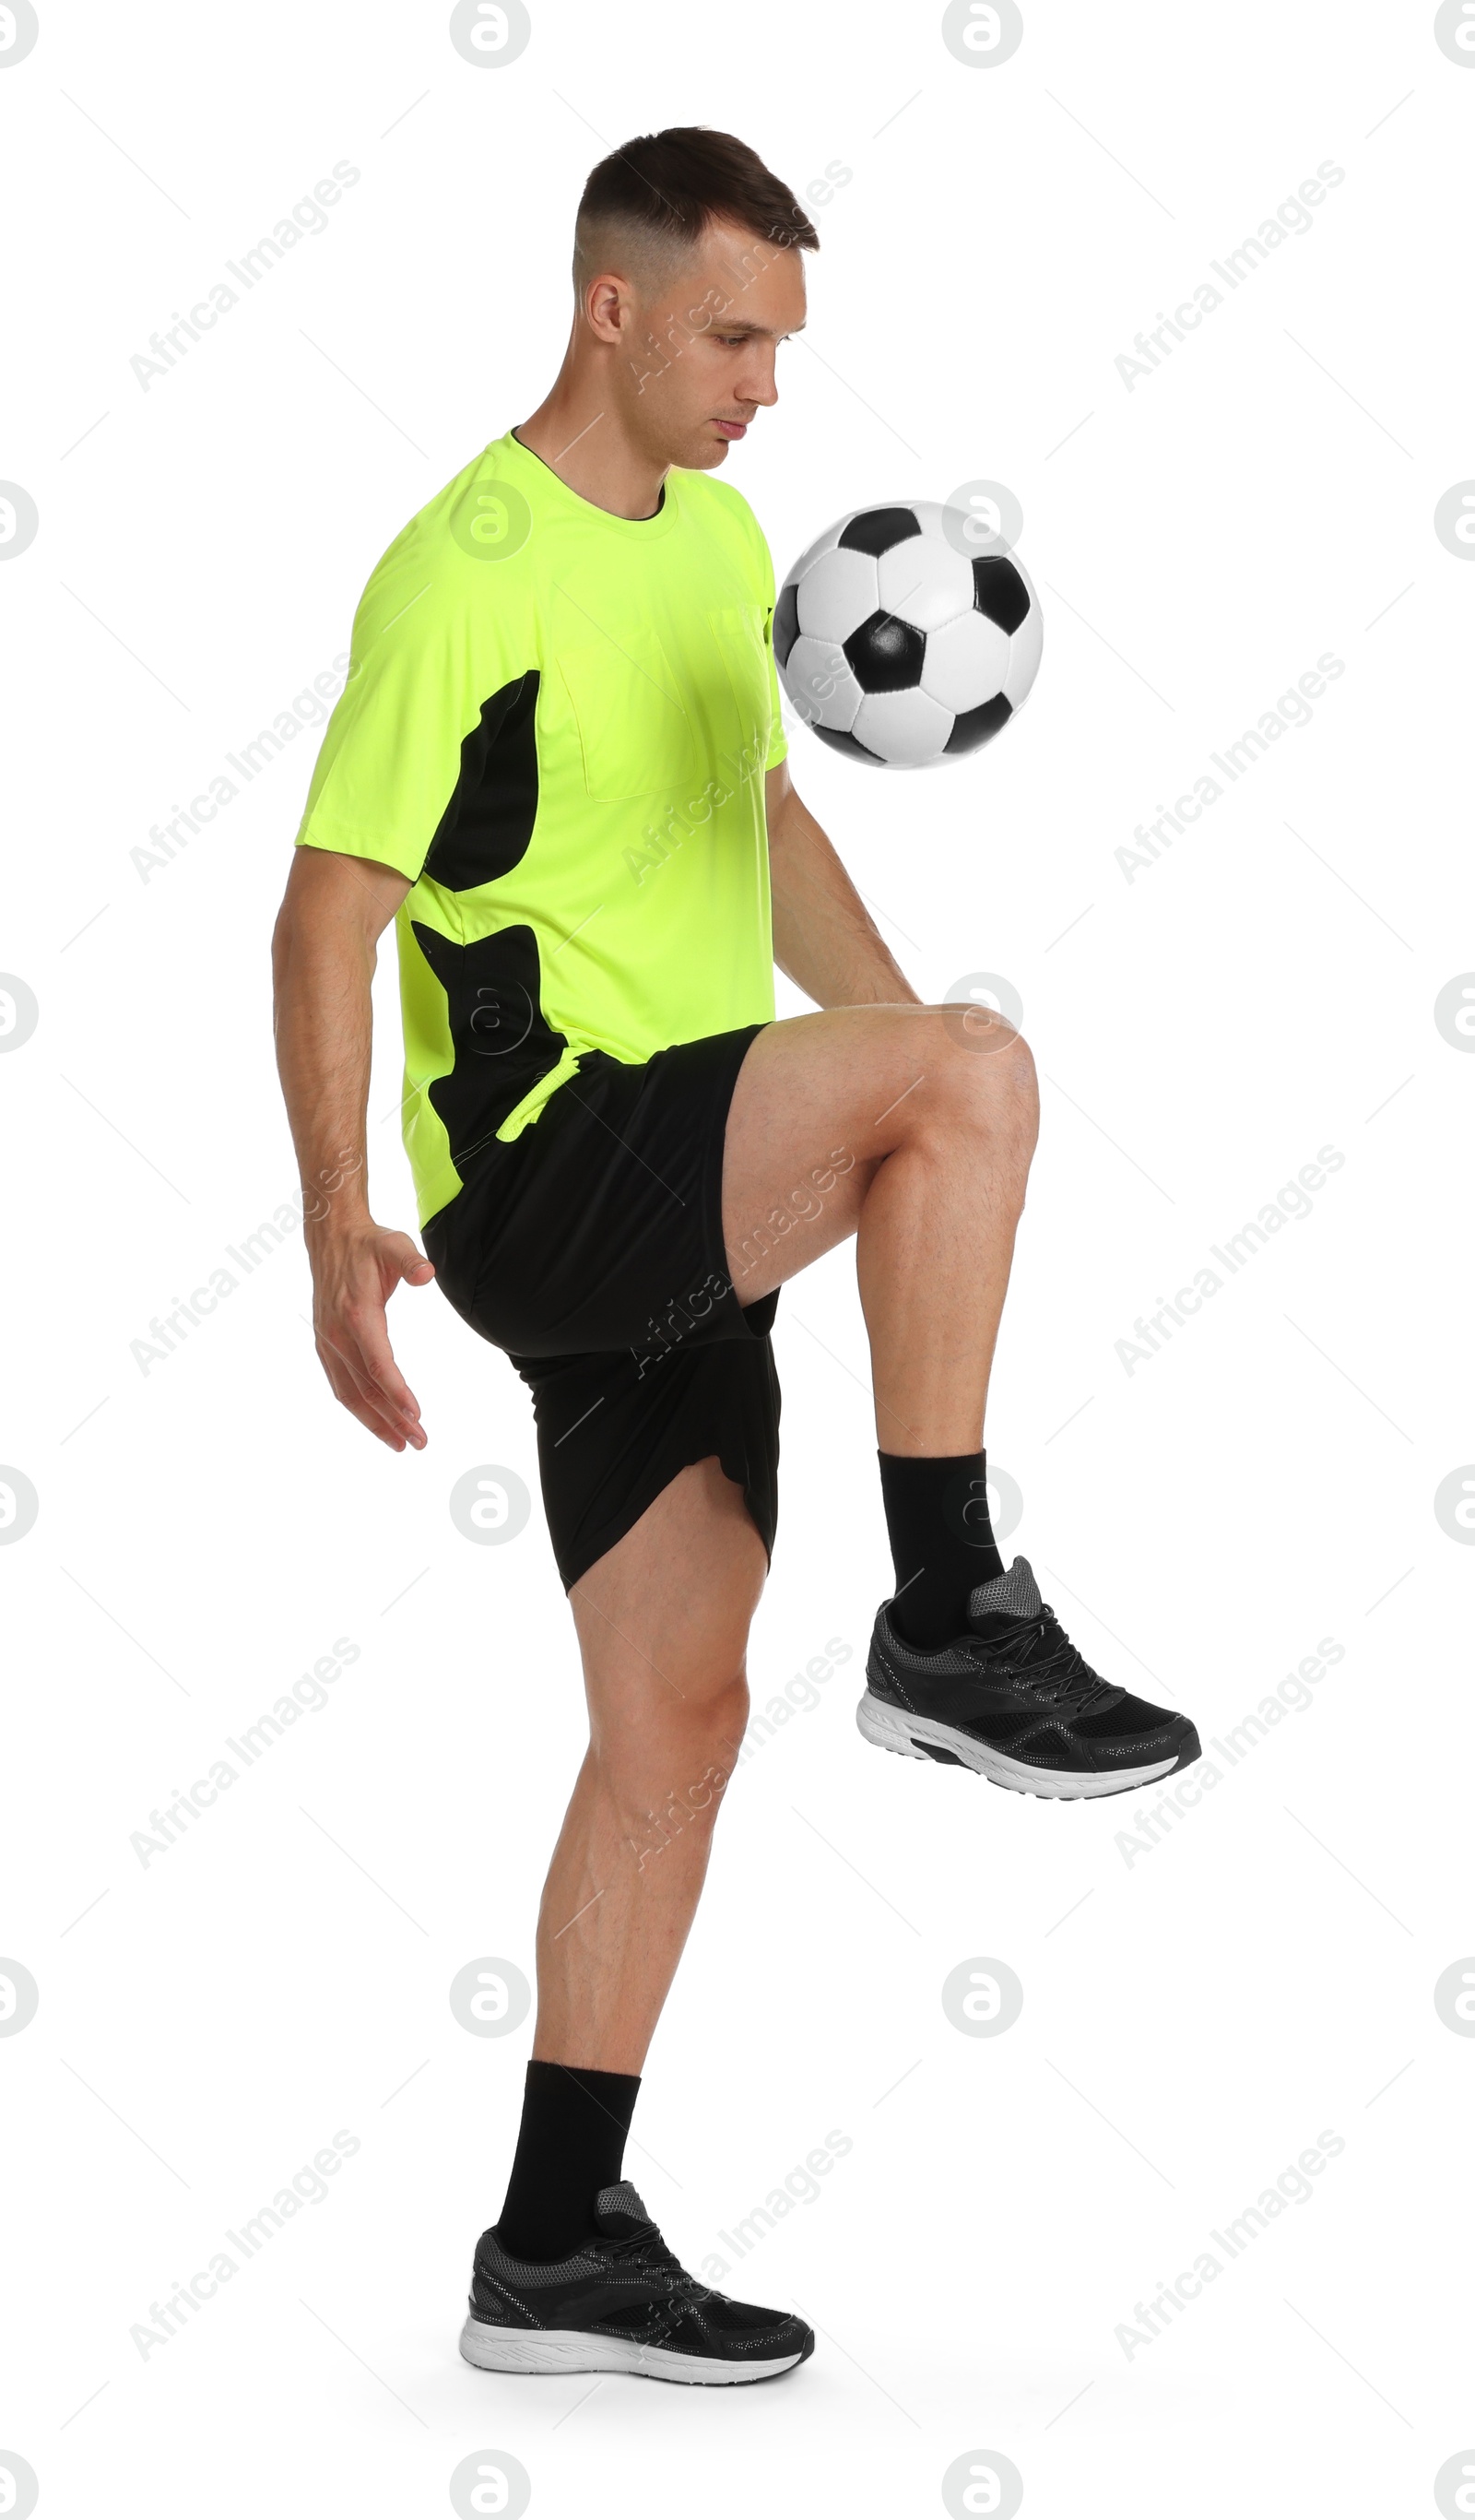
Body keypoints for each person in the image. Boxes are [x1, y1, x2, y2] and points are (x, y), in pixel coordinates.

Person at [272, 124, 1199, 2389]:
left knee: (668, 1727)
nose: (764, 386)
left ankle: (553, 2238)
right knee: (972, 1069)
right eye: (732, 334)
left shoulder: (705, 546)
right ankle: (951, 1608)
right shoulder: (460, 568)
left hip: (678, 1182)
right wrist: (328, 1225)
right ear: (612, 307)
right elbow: (328, 903)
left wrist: (885, 1059)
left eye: (780, 341)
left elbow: (759, 815)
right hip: (553, 1164)